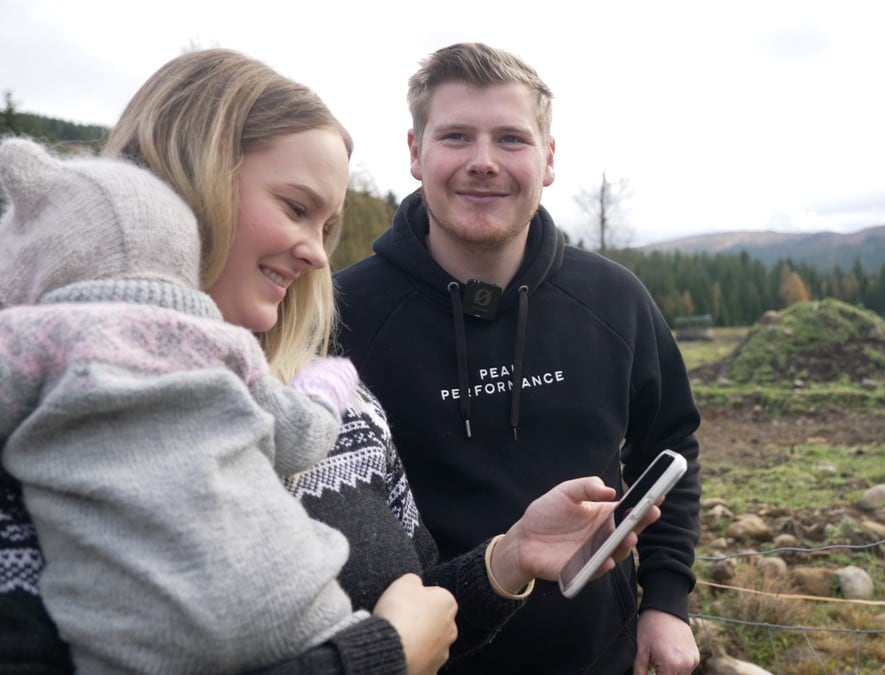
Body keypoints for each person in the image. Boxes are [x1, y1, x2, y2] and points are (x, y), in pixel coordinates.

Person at [0, 48, 656, 675]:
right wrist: (379, 656)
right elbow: (398, 643)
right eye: (295, 207)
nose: (317, 253)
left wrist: (506, 559)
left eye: (328, 225)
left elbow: (422, 612)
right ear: (191, 181)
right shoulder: (40, 419)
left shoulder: (342, 409)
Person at [334, 42, 703, 675]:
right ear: (416, 154)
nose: (484, 163)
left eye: (510, 139)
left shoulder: (614, 300)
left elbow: (670, 447)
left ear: (548, 159)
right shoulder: (340, 317)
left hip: (600, 659)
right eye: (455, 137)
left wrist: (666, 601)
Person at [0, 136, 374, 674]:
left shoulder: (35, 338)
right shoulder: (225, 346)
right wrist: (329, 380)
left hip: (133, 638)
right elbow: (302, 434)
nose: (318, 254)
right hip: (303, 603)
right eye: (295, 208)